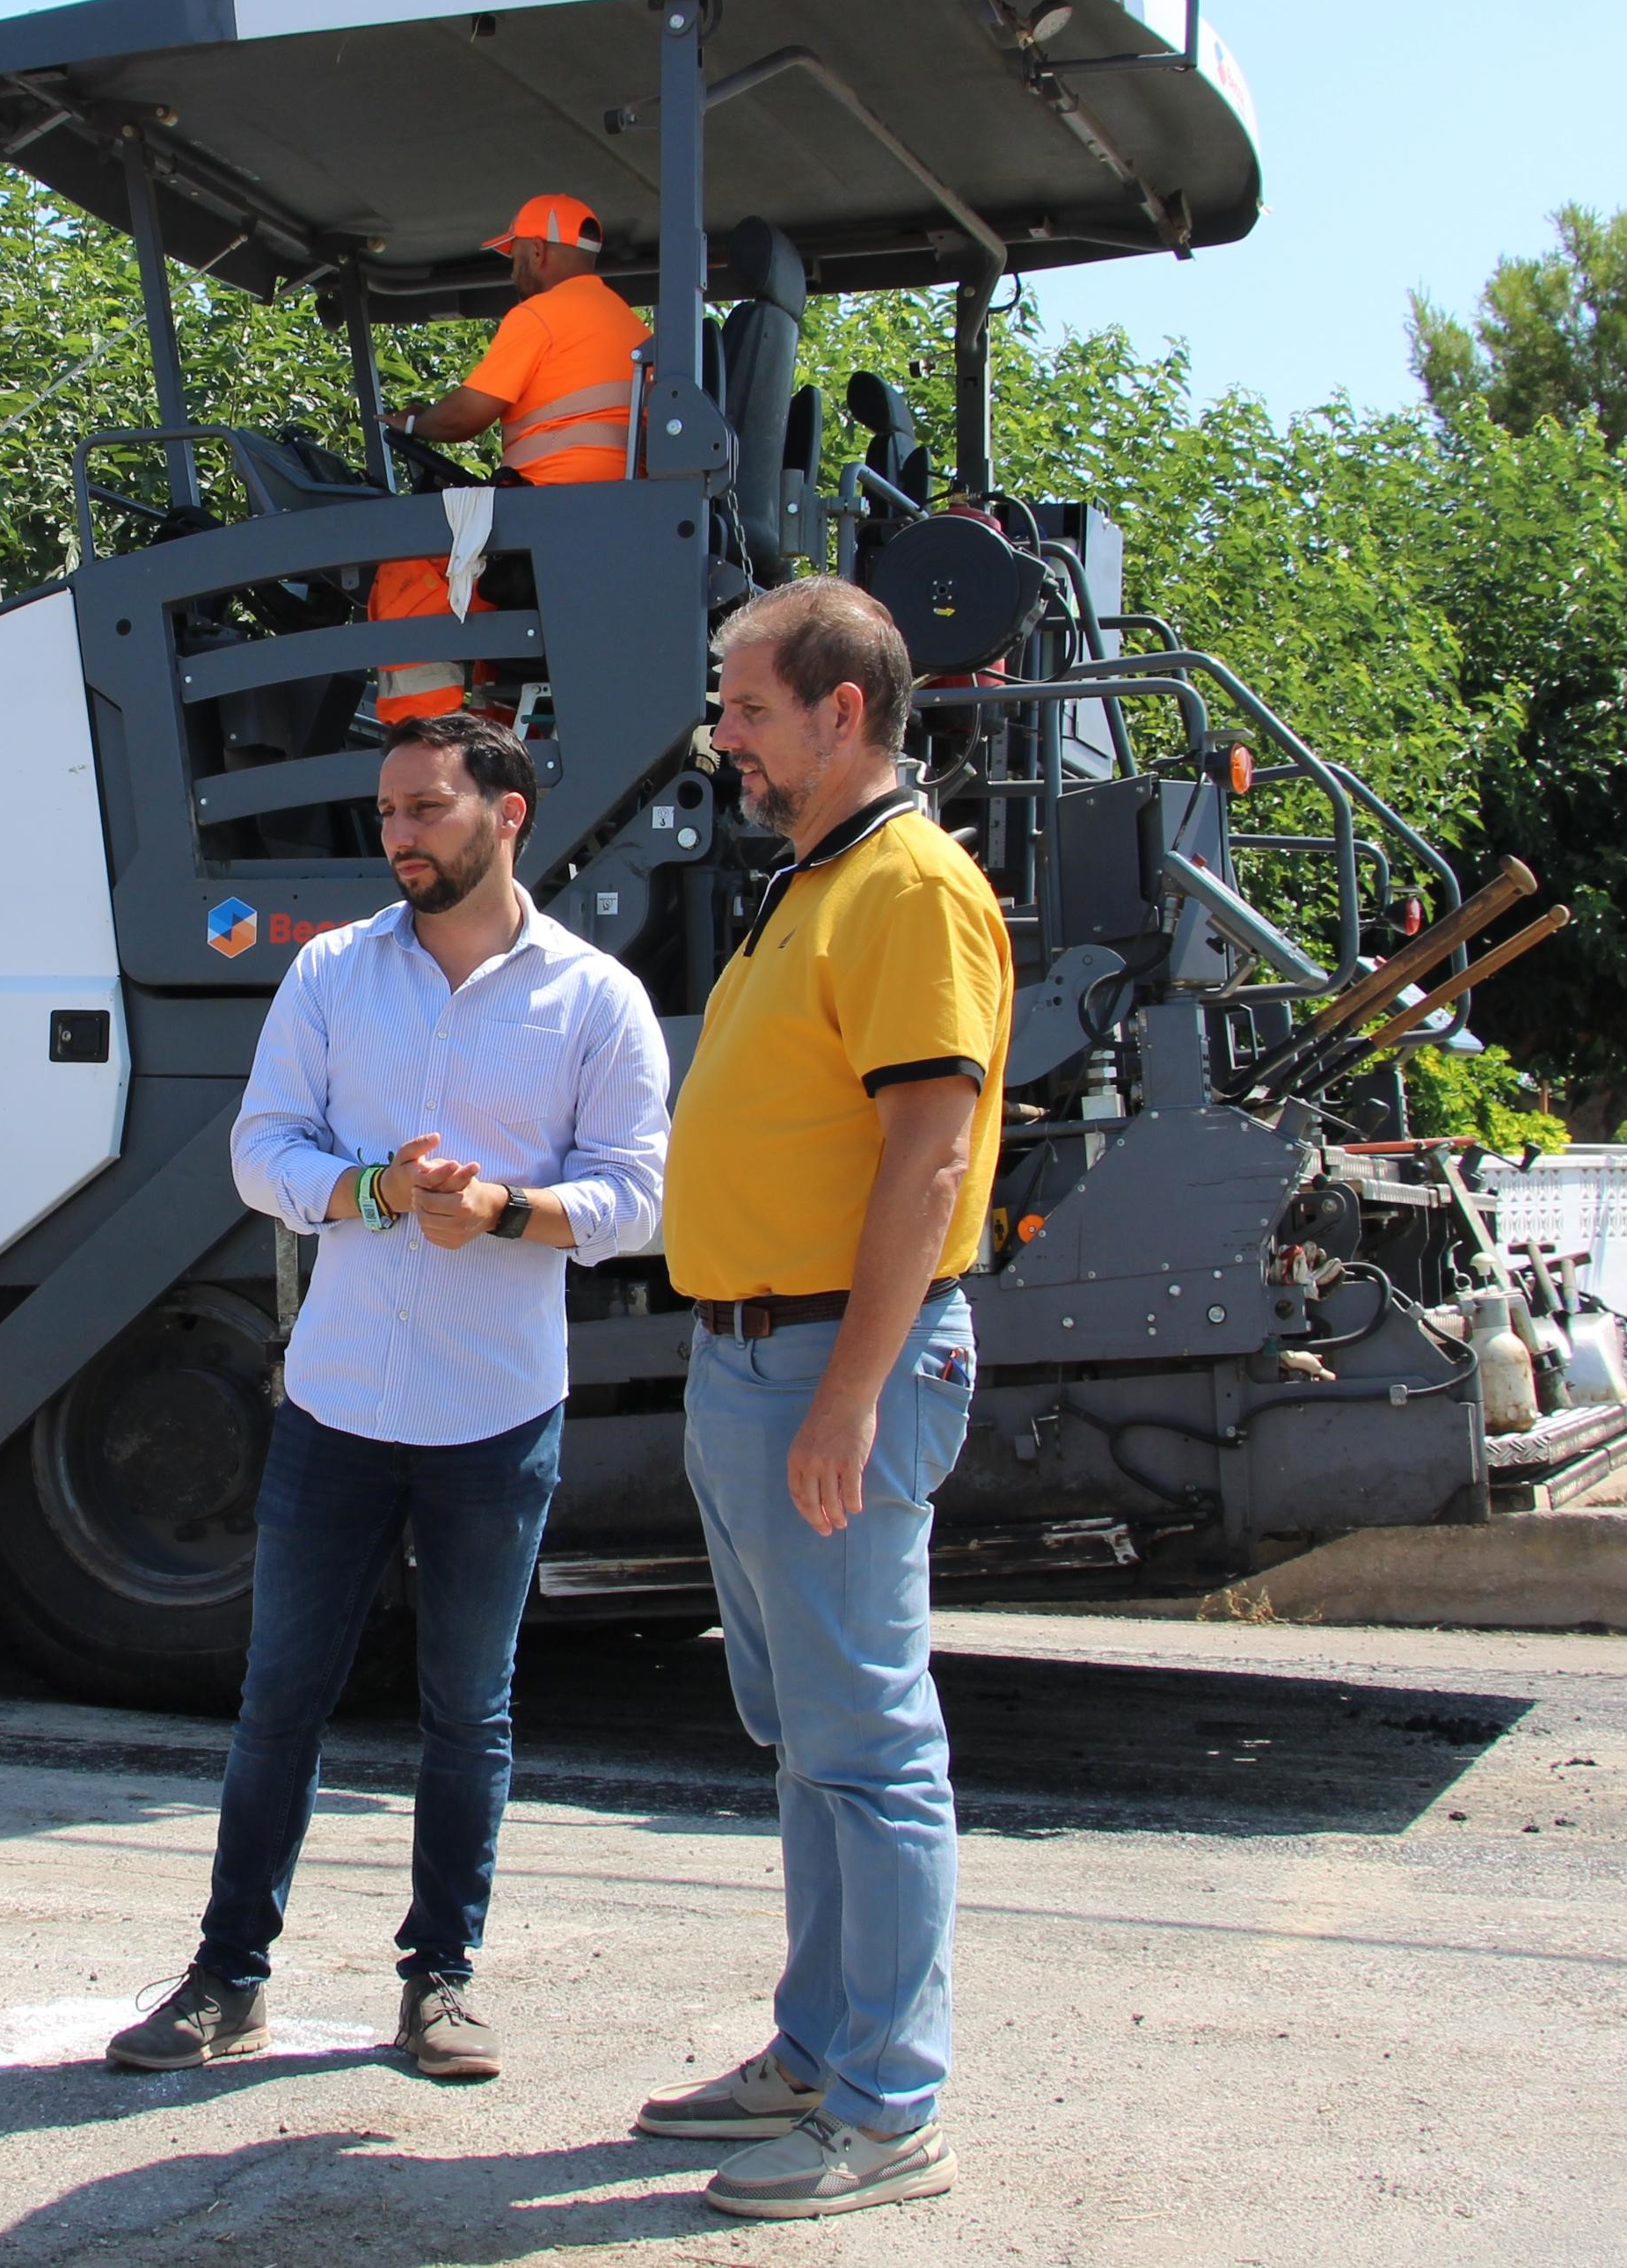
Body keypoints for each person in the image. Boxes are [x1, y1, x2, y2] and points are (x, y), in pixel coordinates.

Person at [113, 713, 668, 2082]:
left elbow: (635, 1197)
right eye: (386, 811)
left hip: (494, 1412)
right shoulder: (330, 972)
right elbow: (259, 1149)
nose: (398, 834)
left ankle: (439, 1980)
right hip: (338, 1404)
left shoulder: (593, 996)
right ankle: (225, 1977)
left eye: (425, 807)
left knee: (465, 1710)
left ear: (507, 812)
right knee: (278, 1699)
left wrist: (503, 1207)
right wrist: (370, 1188)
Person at [630, 577, 1007, 2221]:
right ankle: (816, 2048)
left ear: (840, 711)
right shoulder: (818, 879)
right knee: (807, 1736)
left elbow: (927, 1153)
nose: (721, 735)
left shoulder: (907, 886)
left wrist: (847, 1397)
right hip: (752, 1354)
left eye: (746, 707)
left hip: (830, 1361)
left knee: (866, 1740)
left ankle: (886, 2104)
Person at [368, 193, 654, 722]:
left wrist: (413, 423)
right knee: (477, 589)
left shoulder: (542, 315)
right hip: (606, 529)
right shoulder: (631, 328)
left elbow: (463, 418)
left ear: (537, 252)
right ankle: (493, 737)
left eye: (515, 256)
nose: (512, 270)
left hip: (547, 526)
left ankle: (416, 737)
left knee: (411, 564)